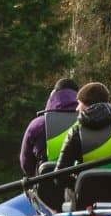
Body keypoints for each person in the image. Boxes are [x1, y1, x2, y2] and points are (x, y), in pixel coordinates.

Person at [19, 77, 81, 207]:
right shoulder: (86, 123)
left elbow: (26, 165)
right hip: (82, 191)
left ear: (52, 97)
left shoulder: (37, 125)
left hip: (46, 195)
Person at [45, 82, 111, 176]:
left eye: (79, 103)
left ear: (88, 105)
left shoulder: (75, 133)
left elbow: (60, 176)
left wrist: (76, 185)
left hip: (86, 189)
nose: (76, 108)